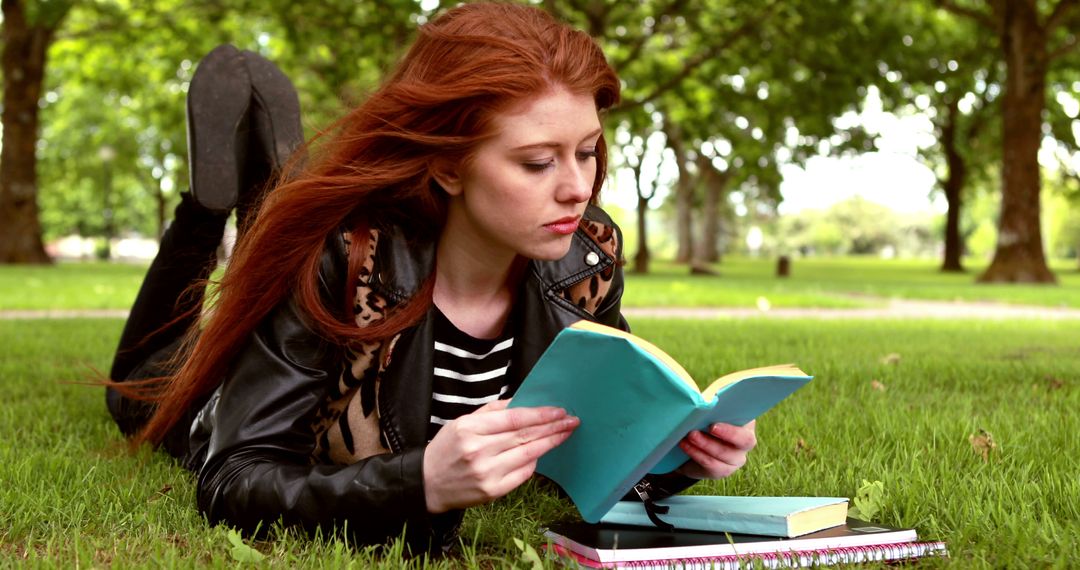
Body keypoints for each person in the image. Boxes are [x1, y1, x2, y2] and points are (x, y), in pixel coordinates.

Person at [106, 2, 758, 554]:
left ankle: (271, 191)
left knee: (282, 232)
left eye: (587, 151)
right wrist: (421, 482)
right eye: (536, 162)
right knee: (140, 381)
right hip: (211, 397)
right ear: (448, 167)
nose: (576, 187)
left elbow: (584, 445)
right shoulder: (339, 259)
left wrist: (675, 456)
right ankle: (207, 208)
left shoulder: (583, 257)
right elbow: (234, 478)